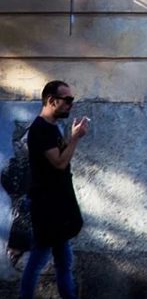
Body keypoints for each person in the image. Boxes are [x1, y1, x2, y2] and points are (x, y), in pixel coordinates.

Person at [20, 81, 88, 299]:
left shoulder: (52, 128)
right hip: (47, 207)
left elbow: (58, 161)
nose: (70, 104)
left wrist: (71, 138)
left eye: (72, 100)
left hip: (56, 206)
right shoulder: (41, 129)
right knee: (38, 260)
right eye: (67, 100)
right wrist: (75, 139)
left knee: (63, 262)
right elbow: (59, 163)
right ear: (51, 100)